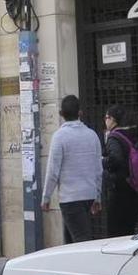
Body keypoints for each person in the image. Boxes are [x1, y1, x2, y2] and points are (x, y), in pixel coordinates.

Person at [42, 95, 103, 244]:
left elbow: (53, 171)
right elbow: (98, 169)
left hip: (70, 197)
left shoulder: (59, 137)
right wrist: (98, 195)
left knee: (81, 241)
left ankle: (84, 267)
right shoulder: (92, 135)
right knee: (71, 241)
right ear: (80, 113)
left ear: (61, 113)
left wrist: (46, 197)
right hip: (88, 194)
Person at [102, 104, 138, 237]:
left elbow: (115, 159)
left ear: (113, 119)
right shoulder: (134, 134)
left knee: (115, 233)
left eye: (106, 117)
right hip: (135, 189)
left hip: (120, 189)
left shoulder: (114, 137)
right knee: (129, 230)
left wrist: (103, 161)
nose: (105, 120)